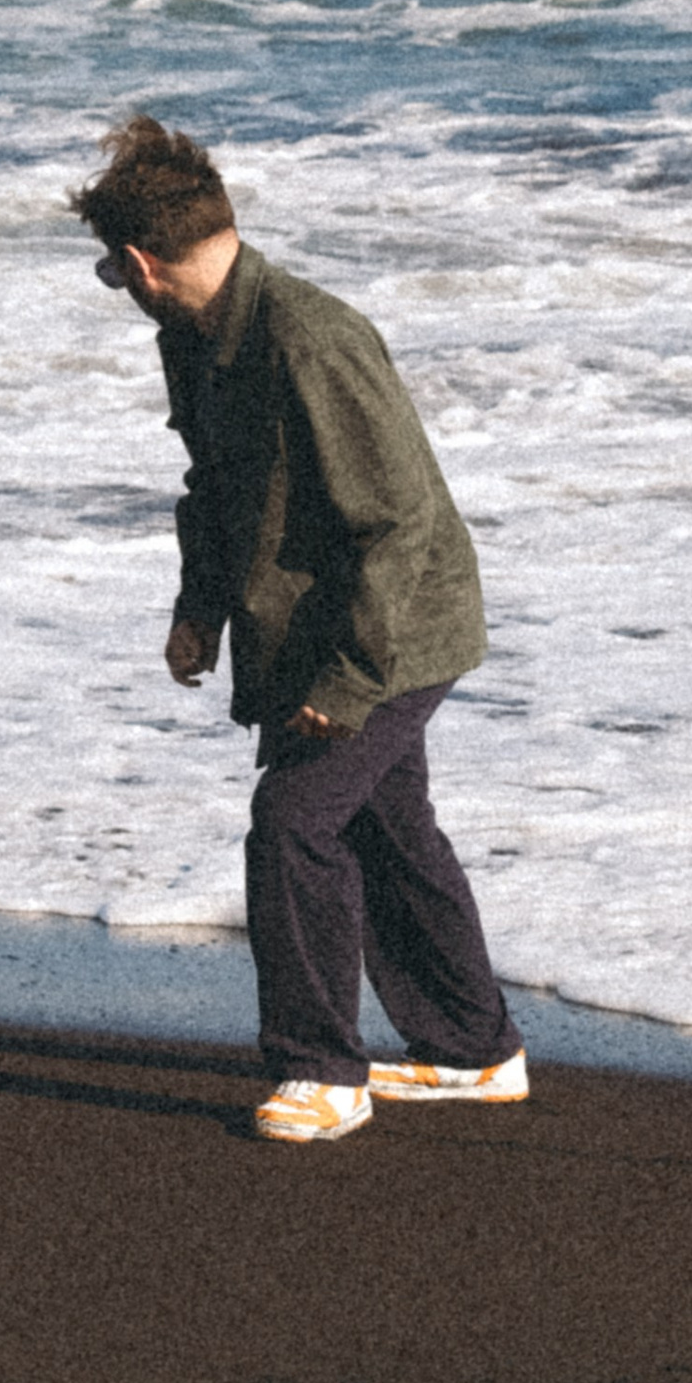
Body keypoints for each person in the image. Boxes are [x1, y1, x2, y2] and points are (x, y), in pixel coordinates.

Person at [72, 114, 528, 1147]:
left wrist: (354, 680)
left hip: (397, 627)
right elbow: (212, 488)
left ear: (142, 261)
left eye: (113, 271)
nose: (119, 287)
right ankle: (474, 1049)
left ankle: (324, 1073)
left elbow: (399, 524)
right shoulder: (190, 340)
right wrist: (198, 613)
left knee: (293, 823)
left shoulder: (311, 338)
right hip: (316, 625)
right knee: (386, 826)